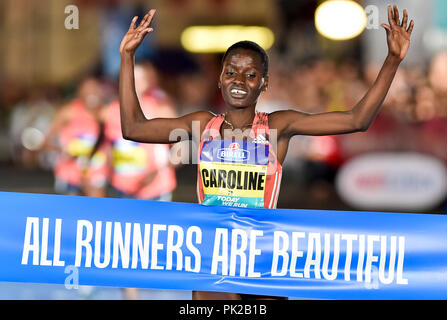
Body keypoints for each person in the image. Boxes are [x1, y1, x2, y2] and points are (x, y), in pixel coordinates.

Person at [118, 5, 414, 300]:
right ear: (220, 78)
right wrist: (127, 57)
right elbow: (133, 127)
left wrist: (392, 60)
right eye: (231, 72)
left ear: (264, 83)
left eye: (250, 74)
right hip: (214, 255)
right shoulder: (200, 125)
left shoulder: (278, 126)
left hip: (264, 256)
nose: (238, 81)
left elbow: (356, 120)